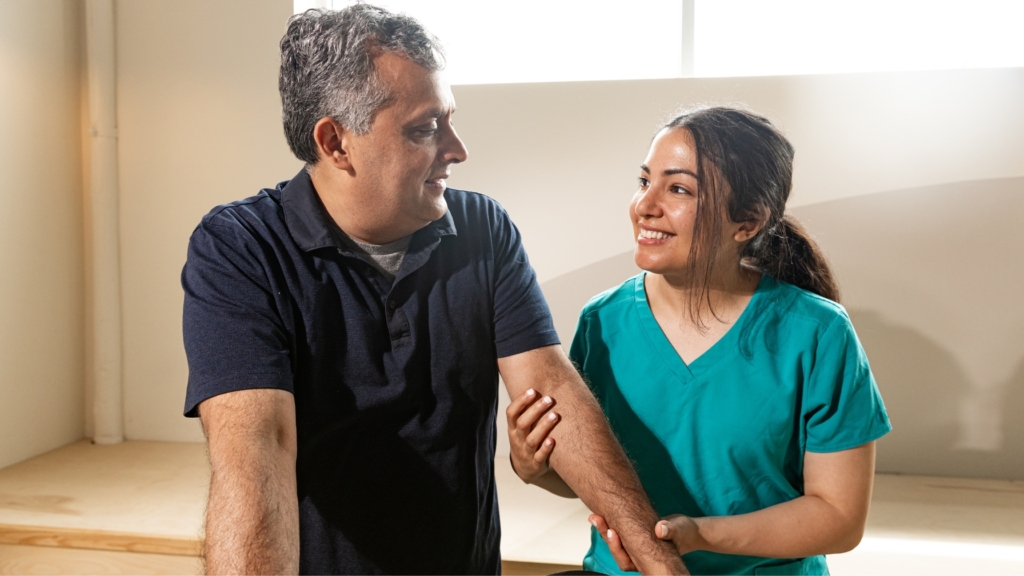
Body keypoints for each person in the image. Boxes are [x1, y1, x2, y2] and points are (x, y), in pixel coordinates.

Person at [181, 4, 686, 575]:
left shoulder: (482, 230)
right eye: (426, 129)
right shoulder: (241, 248)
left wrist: (661, 565)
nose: (457, 148)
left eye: (449, 119)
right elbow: (258, 451)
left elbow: (551, 393)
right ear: (336, 142)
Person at [508, 106, 891, 575]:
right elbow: (592, 477)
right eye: (645, 180)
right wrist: (538, 468)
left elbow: (838, 518)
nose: (645, 205)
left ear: (747, 222)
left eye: (679, 189)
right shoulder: (602, 322)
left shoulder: (817, 333)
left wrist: (697, 535)